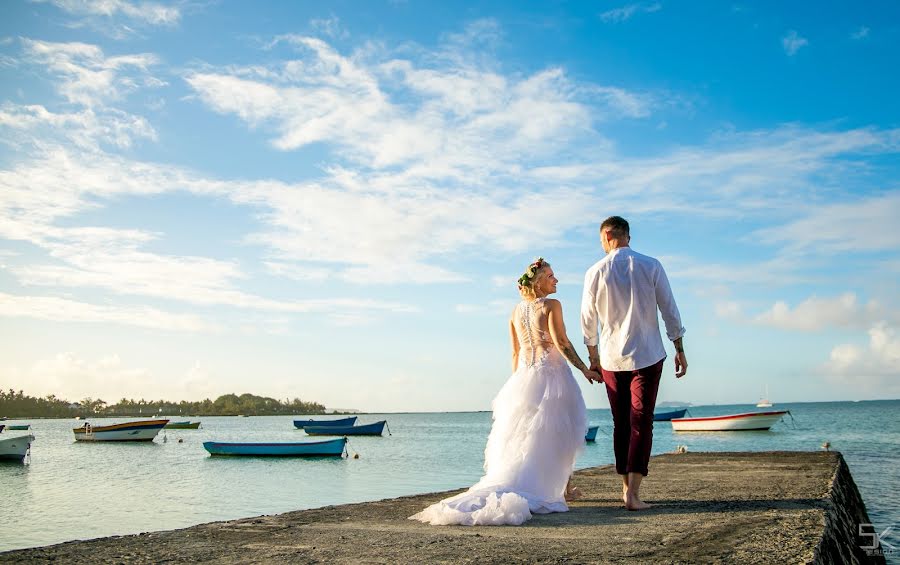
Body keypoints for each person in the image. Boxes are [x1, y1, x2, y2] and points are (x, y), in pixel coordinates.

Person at [410, 258, 600, 526]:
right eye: (551, 276)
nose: (555, 280)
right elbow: (562, 341)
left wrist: (517, 383)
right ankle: (560, 490)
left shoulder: (514, 312)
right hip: (553, 376)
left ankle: (565, 489)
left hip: (524, 377)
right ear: (538, 282)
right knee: (560, 433)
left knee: (527, 435)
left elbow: (515, 352)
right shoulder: (551, 305)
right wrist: (584, 369)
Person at [581, 216, 687, 511]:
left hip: (612, 358)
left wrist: (593, 358)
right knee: (642, 420)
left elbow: (587, 320)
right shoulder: (651, 265)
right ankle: (633, 493)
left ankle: (625, 488)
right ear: (627, 235)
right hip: (648, 354)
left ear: (608, 236)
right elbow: (669, 308)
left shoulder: (594, 272)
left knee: (621, 424)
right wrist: (679, 347)